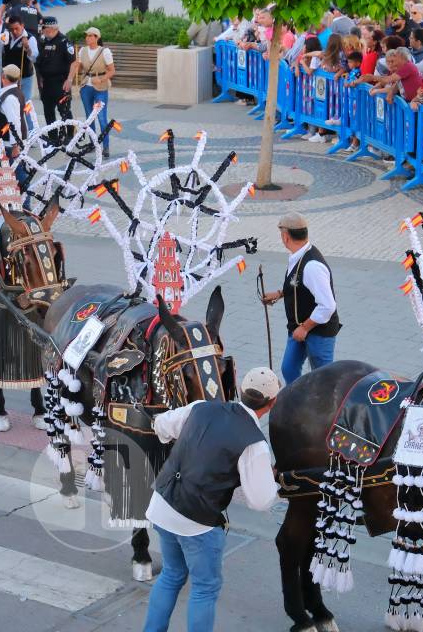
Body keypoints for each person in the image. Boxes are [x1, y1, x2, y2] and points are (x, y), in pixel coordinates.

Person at [141, 366, 281, 632]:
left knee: (171, 575)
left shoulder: (201, 407)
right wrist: (271, 478)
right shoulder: (255, 444)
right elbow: (260, 501)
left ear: (240, 390)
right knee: (204, 589)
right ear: (272, 403)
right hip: (198, 522)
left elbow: (161, 424)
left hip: (162, 503)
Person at [261, 212, 340, 384]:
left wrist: (305, 328)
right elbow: (299, 283)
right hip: (298, 326)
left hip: (319, 330)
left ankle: (322, 407)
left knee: (323, 378)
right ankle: (300, 400)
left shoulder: (312, 266)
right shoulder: (298, 255)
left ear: (285, 236)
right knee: (289, 368)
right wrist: (280, 293)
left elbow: (327, 306)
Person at [69, 27, 115, 155]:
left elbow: (112, 70)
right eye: (87, 36)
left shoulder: (104, 51)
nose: (87, 38)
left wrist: (101, 79)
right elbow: (78, 66)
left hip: (101, 87)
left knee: (101, 118)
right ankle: (93, 144)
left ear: (97, 38)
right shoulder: (82, 50)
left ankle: (106, 146)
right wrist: (72, 73)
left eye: (90, 36)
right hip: (86, 87)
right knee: (89, 117)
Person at [35, 16, 75, 132]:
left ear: (49, 28)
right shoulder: (44, 41)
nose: (41, 30)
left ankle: (70, 136)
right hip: (47, 83)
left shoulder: (64, 41)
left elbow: (74, 62)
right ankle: (53, 138)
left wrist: (70, 80)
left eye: (43, 28)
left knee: (64, 111)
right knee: (48, 112)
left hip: (61, 82)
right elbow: (39, 62)